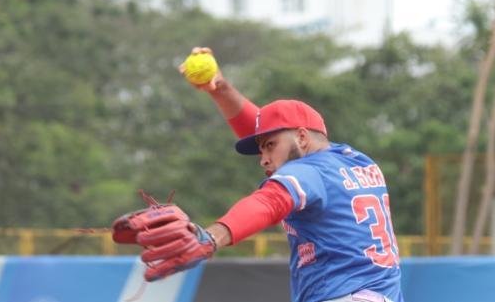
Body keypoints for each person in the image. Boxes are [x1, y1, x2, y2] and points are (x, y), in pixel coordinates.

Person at [115, 48, 404, 302]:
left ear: (303, 138)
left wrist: (211, 237)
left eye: (269, 147)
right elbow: (269, 130)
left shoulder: (306, 172)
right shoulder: (357, 162)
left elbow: (267, 203)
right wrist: (220, 89)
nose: (263, 159)